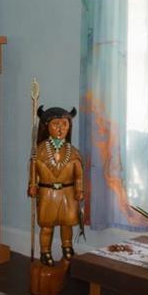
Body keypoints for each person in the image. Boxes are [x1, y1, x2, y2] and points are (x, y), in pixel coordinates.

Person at [28, 106, 84, 266]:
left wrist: (79, 190)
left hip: (68, 193)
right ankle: (45, 252)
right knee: (47, 226)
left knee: (67, 224)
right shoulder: (39, 152)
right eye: (56, 124)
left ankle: (67, 247)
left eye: (64, 124)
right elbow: (34, 172)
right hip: (47, 194)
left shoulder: (74, 153)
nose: (60, 129)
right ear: (47, 126)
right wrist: (32, 185)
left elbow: (78, 175)